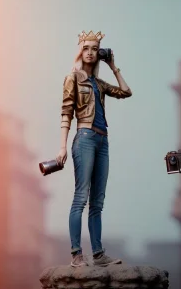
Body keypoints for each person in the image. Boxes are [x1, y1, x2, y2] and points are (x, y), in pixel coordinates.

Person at [56, 30, 132, 267]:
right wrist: (62, 147)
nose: (89, 53)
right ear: (80, 52)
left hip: (103, 141)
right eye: (85, 49)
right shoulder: (73, 78)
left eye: (94, 49)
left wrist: (113, 66)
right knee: (81, 197)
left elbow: (126, 92)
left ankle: (98, 254)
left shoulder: (98, 83)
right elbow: (66, 113)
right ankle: (76, 253)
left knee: (97, 202)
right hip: (85, 138)